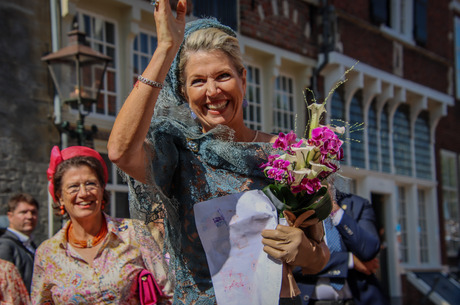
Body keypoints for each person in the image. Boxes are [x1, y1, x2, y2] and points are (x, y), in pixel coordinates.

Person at [107, 0, 329, 304]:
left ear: (244, 79)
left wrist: (302, 248)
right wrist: (165, 49)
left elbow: (321, 256)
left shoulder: (288, 156)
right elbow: (121, 152)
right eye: (198, 81)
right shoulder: (176, 154)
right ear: (184, 93)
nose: (212, 91)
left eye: (223, 76)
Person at [31, 146, 172, 304]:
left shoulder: (134, 233)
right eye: (73, 187)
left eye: (91, 184)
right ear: (60, 197)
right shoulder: (47, 253)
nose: (84, 193)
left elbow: (169, 292)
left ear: (101, 189)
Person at [294, 190, 390, 305]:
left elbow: (369, 250)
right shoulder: (293, 205)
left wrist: (335, 211)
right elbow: (293, 262)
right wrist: (349, 261)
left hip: (358, 299)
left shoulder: (357, 204)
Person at [0, 192, 39, 294]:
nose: (30, 216)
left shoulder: (30, 245)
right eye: (23, 212)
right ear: (10, 216)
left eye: (33, 212)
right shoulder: (5, 246)